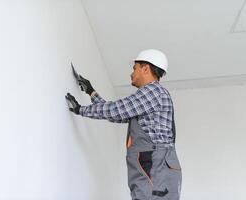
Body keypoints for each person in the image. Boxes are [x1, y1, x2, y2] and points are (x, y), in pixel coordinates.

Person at [65, 49, 182, 200]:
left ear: (146, 68)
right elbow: (118, 114)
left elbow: (116, 111)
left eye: (135, 68)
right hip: (155, 166)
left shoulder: (153, 91)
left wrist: (81, 109)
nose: (131, 74)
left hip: (154, 165)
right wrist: (92, 93)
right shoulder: (152, 96)